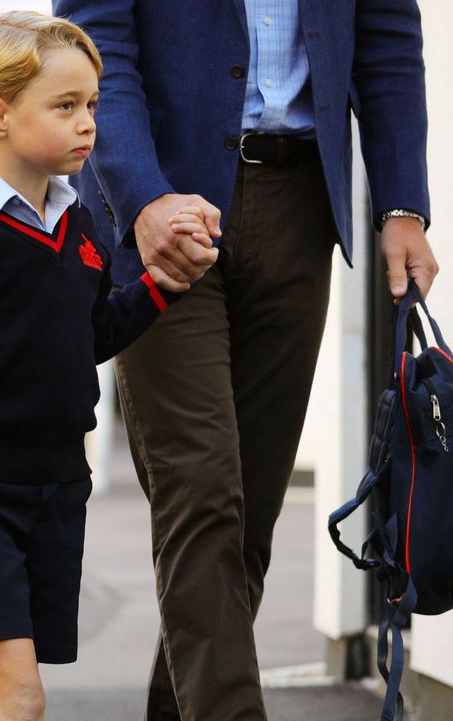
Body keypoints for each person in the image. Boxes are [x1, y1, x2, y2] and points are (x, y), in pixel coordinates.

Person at [51, 0, 439, 719]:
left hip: (301, 209)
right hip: (163, 211)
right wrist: (141, 198)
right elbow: (98, 41)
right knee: (199, 489)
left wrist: (402, 205)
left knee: (245, 517)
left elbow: (386, 34)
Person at [0, 12, 215, 721]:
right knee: (21, 696)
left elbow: (87, 336)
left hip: (59, 487)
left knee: (0, 675)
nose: (89, 123)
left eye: (91, 104)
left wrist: (159, 284)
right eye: (67, 106)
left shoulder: (79, 227)